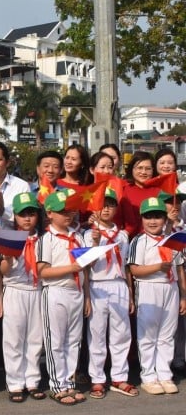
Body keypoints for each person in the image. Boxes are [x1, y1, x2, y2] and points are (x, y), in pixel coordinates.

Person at [128, 197, 186, 395]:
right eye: (148, 217)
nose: (153, 222)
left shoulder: (172, 240)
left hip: (170, 288)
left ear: (165, 218)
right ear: (142, 219)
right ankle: (148, 375)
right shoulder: (138, 241)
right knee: (148, 334)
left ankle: (164, 373)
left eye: (158, 217)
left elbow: (179, 269)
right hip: (148, 288)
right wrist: (157, 267)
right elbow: (135, 270)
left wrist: (183, 296)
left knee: (167, 334)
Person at [36, 191, 89, 405]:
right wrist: (71, 268)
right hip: (56, 291)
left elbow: (86, 267)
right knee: (55, 340)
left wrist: (87, 296)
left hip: (76, 291)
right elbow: (43, 272)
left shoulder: (78, 236)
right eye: (62, 211)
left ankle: (69, 382)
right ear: (49, 213)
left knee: (74, 340)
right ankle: (57, 384)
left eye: (70, 210)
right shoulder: (46, 239)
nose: (68, 215)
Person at [84, 189, 138, 399]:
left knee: (121, 333)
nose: (106, 209)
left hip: (118, 285)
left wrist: (130, 293)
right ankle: (97, 379)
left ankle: (119, 376)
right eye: (102, 204)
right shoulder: (88, 233)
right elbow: (86, 265)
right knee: (96, 334)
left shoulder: (123, 235)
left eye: (110, 205)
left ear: (116, 208)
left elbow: (125, 266)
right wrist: (95, 242)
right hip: (97, 285)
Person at [0, 193, 46, 403]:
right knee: (14, 338)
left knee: (35, 338)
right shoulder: (8, 238)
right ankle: (15, 381)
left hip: (36, 290)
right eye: (22, 214)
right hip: (15, 290)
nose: (27, 219)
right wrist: (8, 257)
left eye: (31, 214)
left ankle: (33, 379)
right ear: (14, 216)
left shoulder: (43, 240)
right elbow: (4, 271)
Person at [119, 151, 159, 238]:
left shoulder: (159, 191)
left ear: (153, 170)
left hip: (153, 240)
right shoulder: (123, 189)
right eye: (139, 168)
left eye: (148, 169)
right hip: (127, 240)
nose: (143, 172)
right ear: (132, 169)